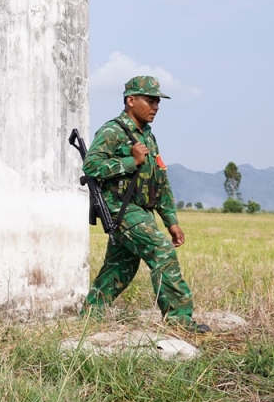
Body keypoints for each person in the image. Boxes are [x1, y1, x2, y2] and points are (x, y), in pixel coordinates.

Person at [81, 77, 209, 333]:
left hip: (141, 211)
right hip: (120, 209)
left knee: (121, 266)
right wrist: (131, 161)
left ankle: (90, 316)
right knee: (162, 251)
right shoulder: (112, 131)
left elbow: (159, 180)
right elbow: (91, 167)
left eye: (158, 102)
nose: (156, 107)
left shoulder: (148, 136)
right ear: (131, 100)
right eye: (150, 101)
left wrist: (171, 220)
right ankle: (179, 321)